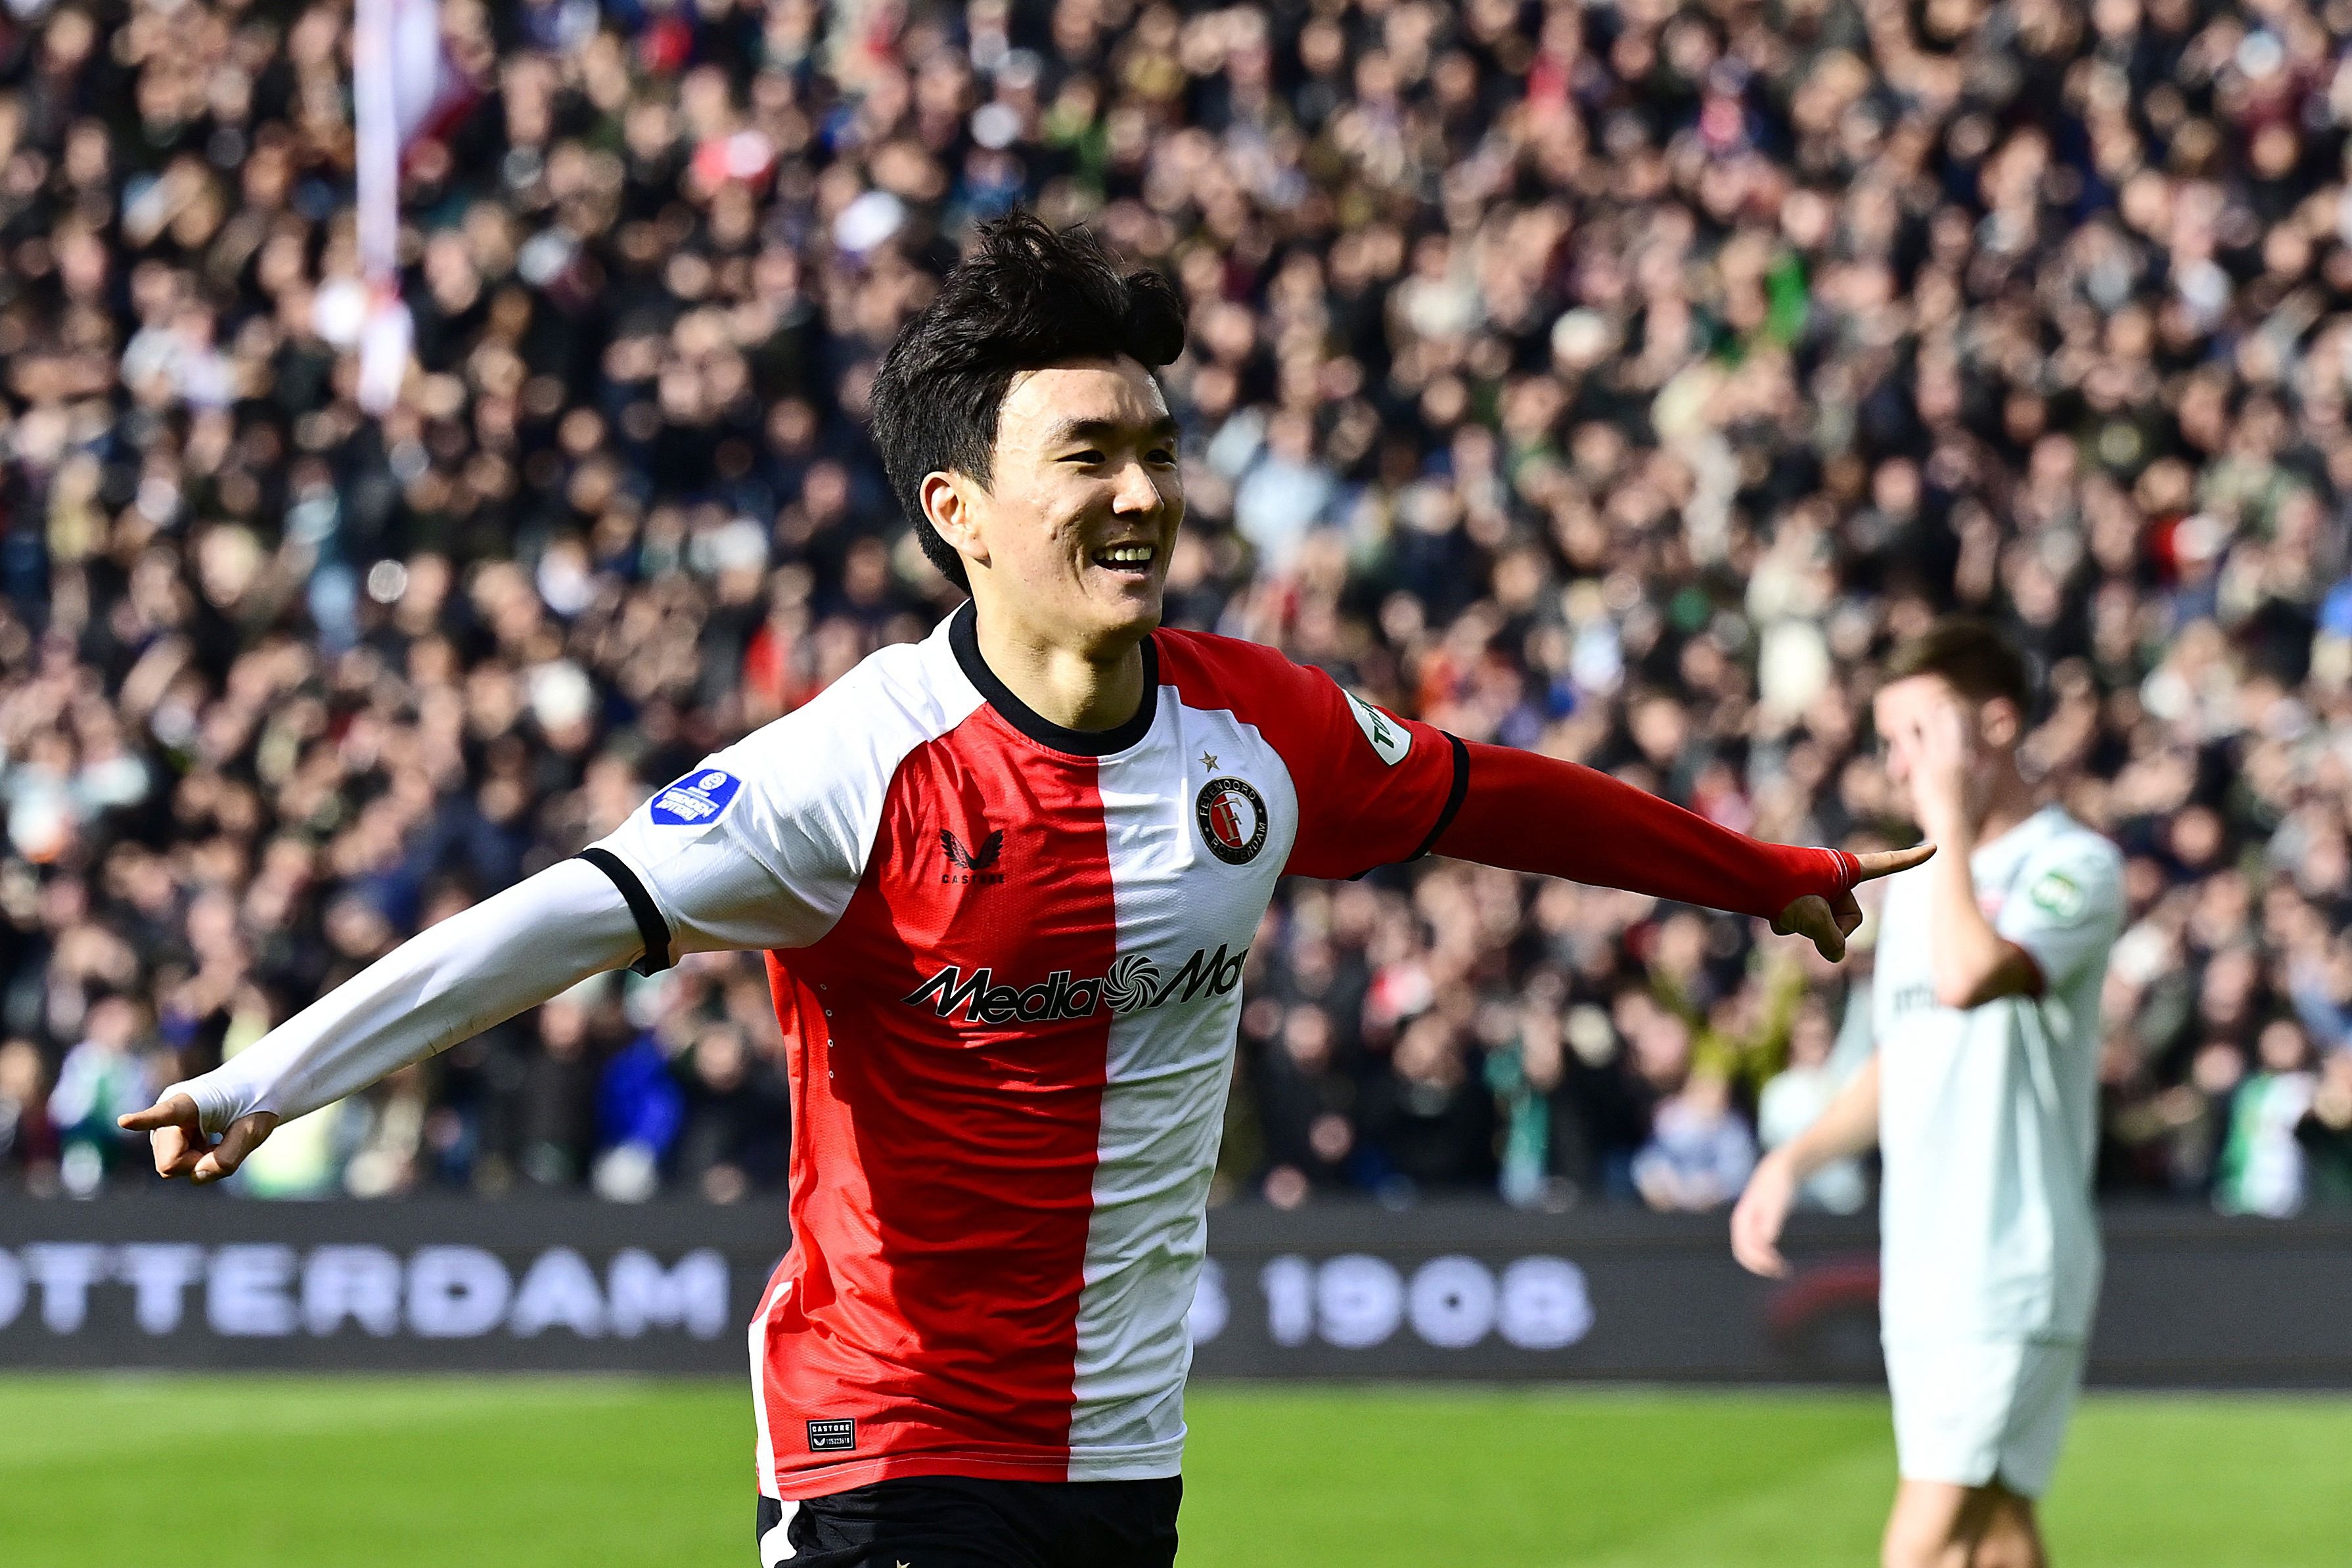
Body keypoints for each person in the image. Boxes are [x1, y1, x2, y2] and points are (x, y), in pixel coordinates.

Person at [124, 213, 1927, 1568]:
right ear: (959, 509)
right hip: (879, 1431)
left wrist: (1762, 872)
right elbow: (556, 916)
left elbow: (1489, 796)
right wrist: (267, 1075)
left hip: (1120, 1440)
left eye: (1155, 449)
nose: (1142, 491)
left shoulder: (1258, 722)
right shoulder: (852, 768)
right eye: (1089, 456)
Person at [1730, 620, 2125, 1568]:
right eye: (1892, 743)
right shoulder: (1924, 887)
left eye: (1920, 737)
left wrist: (1946, 823)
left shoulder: (2072, 864)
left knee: (1921, 1548)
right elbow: (1909, 1056)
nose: (1902, 767)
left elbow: (1968, 976)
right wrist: (1796, 1157)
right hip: (1927, 1266)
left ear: (1994, 726)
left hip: (2009, 1261)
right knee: (1995, 1537)